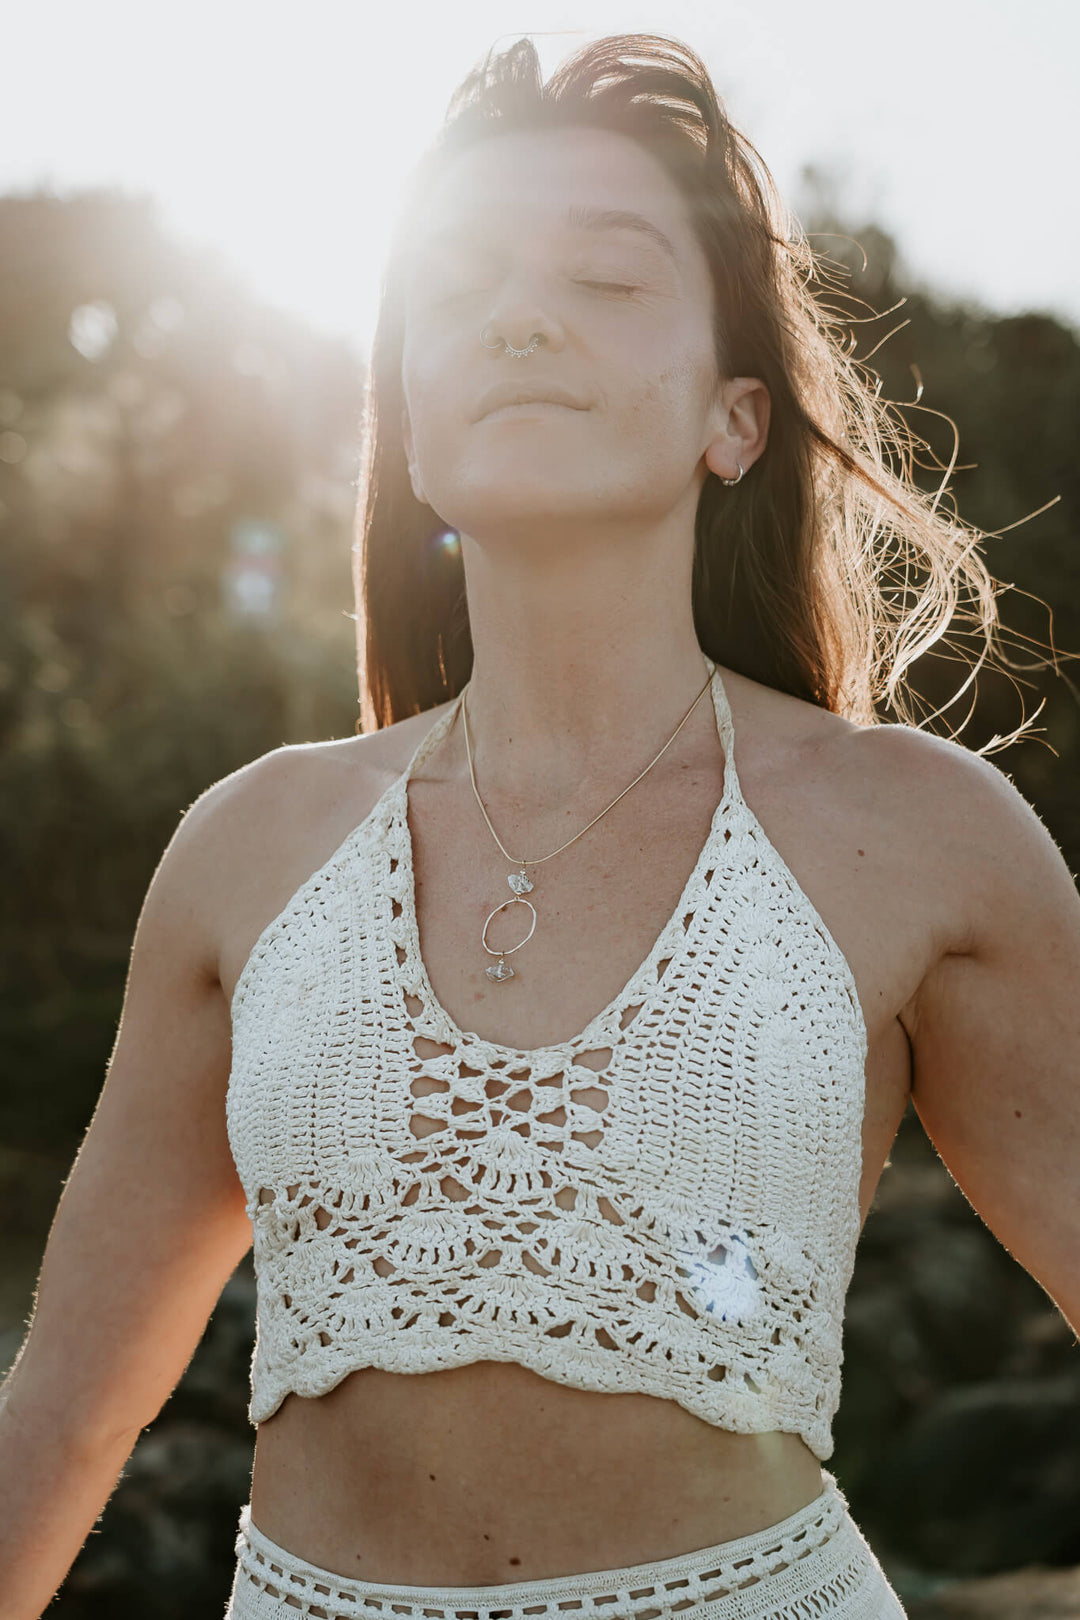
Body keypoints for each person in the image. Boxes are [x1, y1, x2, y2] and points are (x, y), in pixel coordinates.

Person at [1, 30, 1077, 1620]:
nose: (520, 315)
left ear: (736, 420)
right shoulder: (251, 847)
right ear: (416, 422)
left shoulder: (922, 838)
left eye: (610, 279)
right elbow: (67, 1412)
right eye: (462, 286)